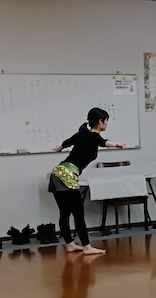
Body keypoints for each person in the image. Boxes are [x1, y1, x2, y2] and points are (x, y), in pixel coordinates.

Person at [49, 108, 126, 256]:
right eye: (106, 121)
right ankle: (87, 247)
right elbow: (103, 142)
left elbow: (67, 142)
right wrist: (117, 144)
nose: (107, 124)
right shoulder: (93, 136)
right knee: (78, 213)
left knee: (65, 212)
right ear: (100, 122)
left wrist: (59, 148)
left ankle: (70, 244)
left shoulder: (82, 134)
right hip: (68, 174)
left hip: (57, 172)